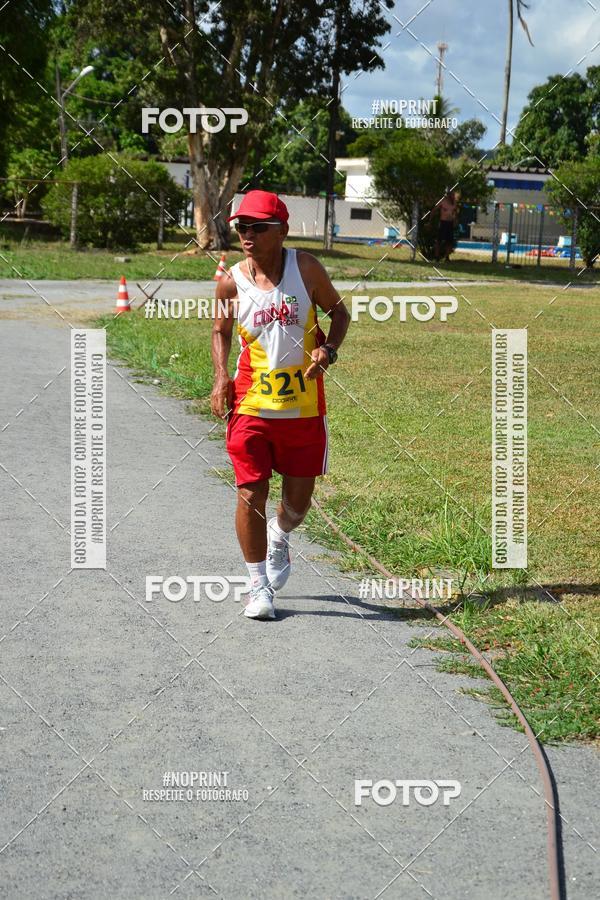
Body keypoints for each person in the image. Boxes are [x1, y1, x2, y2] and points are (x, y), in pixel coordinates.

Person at [210, 190, 350, 621]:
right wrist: (220, 377)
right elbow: (220, 330)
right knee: (251, 491)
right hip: (251, 405)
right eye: (241, 227)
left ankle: (280, 533)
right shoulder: (231, 281)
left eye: (257, 227)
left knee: (298, 503)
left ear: (282, 230)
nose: (246, 234)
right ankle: (257, 586)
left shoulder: (305, 268)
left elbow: (339, 314)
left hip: (304, 408)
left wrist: (329, 350)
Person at [434, 189, 458, 262]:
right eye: (452, 195)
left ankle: (447, 257)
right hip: (443, 222)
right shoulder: (443, 201)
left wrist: (455, 221)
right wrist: (430, 219)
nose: (453, 196)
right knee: (439, 240)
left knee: (449, 241)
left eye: (454, 195)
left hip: (450, 223)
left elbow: (455, 213)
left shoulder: (454, 203)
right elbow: (435, 209)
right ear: (448, 195)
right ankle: (437, 256)